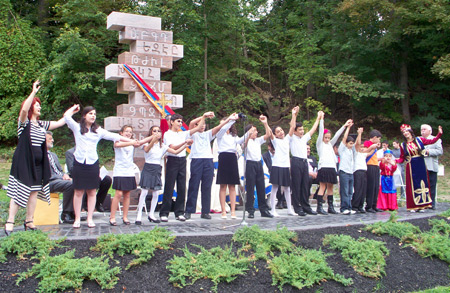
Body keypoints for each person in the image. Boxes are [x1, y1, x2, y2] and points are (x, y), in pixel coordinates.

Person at [5, 80, 69, 235]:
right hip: (24, 163)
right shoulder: (24, 123)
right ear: (31, 107)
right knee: (19, 191)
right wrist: (33, 92)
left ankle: (29, 221)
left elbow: (59, 123)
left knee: (34, 192)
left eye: (40, 105)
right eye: (37, 105)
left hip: (38, 164)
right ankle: (10, 222)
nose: (39, 107)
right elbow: (23, 110)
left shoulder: (41, 125)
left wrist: (69, 114)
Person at [64, 105, 134, 228]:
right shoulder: (77, 128)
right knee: (79, 191)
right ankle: (77, 218)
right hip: (79, 162)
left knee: (91, 191)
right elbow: (66, 117)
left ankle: (90, 218)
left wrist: (131, 141)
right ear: (84, 115)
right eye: (90, 113)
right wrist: (73, 109)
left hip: (92, 163)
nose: (93, 116)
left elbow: (114, 136)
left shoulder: (98, 131)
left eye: (94, 114)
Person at [135, 125, 190, 224]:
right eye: (154, 131)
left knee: (156, 193)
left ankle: (151, 214)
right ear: (151, 133)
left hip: (157, 168)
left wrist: (185, 145)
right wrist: (153, 139)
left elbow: (175, 152)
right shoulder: (146, 143)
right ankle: (139, 215)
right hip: (148, 167)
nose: (156, 133)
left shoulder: (163, 146)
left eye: (158, 131)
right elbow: (147, 150)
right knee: (144, 192)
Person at [185, 112, 231, 220]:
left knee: (207, 187)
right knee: (194, 185)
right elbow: (192, 123)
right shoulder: (192, 133)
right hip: (196, 160)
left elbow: (219, 127)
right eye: (201, 124)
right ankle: (189, 210)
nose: (203, 125)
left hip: (208, 161)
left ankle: (205, 211)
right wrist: (204, 116)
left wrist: (229, 118)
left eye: (204, 124)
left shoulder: (208, 134)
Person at [160, 113, 205, 222]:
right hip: (172, 160)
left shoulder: (183, 133)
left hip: (182, 160)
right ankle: (164, 212)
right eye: (178, 121)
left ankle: (179, 212)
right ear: (171, 122)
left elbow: (198, 127)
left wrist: (204, 117)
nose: (180, 123)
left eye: (181, 121)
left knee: (181, 186)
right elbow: (173, 147)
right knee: (169, 186)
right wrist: (185, 143)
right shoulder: (167, 134)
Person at [396, 124, 443, 211]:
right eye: (403, 132)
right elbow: (402, 158)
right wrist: (394, 161)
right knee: (413, 185)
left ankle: (422, 205)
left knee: (422, 184)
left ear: (410, 132)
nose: (405, 133)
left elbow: (432, 141)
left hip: (420, 163)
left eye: (406, 131)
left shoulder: (419, 140)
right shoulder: (403, 145)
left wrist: (439, 134)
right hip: (411, 166)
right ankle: (413, 205)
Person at [316, 114, 349, 215]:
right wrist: (321, 119)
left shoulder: (330, 144)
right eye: (325, 137)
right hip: (324, 167)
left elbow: (337, 135)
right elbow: (321, 131)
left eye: (328, 138)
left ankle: (330, 207)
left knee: (330, 187)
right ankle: (319, 207)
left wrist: (345, 126)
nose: (327, 139)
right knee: (323, 186)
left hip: (332, 167)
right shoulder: (320, 144)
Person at [268, 106, 298, 217]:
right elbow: (269, 133)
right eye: (278, 131)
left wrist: (294, 114)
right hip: (276, 166)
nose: (280, 132)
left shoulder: (287, 139)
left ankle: (290, 209)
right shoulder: (275, 141)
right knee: (275, 187)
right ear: (275, 134)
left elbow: (292, 127)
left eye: (281, 130)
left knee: (287, 188)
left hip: (285, 166)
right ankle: (272, 209)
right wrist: (266, 123)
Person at [109, 125, 142, 226]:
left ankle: (125, 216)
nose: (128, 133)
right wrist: (131, 142)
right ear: (121, 133)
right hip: (120, 171)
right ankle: (112, 217)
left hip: (129, 171)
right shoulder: (117, 141)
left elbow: (141, 143)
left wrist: (154, 137)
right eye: (126, 131)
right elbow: (117, 145)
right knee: (118, 194)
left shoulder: (132, 144)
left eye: (130, 132)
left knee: (127, 194)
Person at [290, 111, 321, 216]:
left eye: (303, 129)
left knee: (305, 185)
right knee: (297, 185)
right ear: (295, 131)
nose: (302, 131)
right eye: (300, 130)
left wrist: (318, 118)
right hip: (296, 161)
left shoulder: (304, 138)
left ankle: (306, 206)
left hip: (304, 162)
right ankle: (297, 207)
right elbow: (292, 125)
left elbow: (313, 130)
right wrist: (294, 115)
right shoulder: (292, 138)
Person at [242, 115, 273, 219]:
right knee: (250, 188)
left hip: (258, 164)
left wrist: (265, 123)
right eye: (253, 131)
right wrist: (247, 135)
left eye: (255, 131)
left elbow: (268, 134)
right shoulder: (246, 140)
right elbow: (243, 147)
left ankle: (263, 209)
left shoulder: (258, 140)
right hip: (250, 164)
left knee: (261, 187)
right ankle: (250, 210)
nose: (255, 132)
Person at [65, 147, 113, 213]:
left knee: (107, 180)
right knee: (90, 181)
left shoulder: (90, 150)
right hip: (79, 175)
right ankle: (85, 204)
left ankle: (98, 203)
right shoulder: (70, 152)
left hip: (91, 174)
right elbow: (71, 169)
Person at [215, 113, 242, 219]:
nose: (223, 125)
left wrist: (249, 132)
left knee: (232, 185)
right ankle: (223, 211)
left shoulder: (233, 136)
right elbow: (222, 129)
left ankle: (233, 211)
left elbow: (240, 141)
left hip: (232, 158)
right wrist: (231, 120)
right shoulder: (220, 135)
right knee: (223, 185)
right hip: (223, 157)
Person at [46, 131, 75, 224]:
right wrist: (61, 177)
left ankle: (74, 213)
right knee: (70, 184)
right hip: (48, 182)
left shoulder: (53, 155)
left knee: (79, 183)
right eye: (50, 138)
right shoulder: (39, 155)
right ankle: (66, 213)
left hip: (58, 179)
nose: (53, 140)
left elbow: (59, 170)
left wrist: (64, 175)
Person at [421, 124, 443, 209]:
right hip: (421, 166)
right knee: (423, 185)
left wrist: (429, 151)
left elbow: (440, 151)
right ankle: (423, 202)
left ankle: (432, 203)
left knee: (432, 185)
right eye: (421, 129)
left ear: (430, 131)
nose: (422, 131)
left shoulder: (436, 140)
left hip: (431, 165)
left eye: (424, 129)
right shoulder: (418, 140)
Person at [338, 120, 356, 215]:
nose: (351, 145)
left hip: (350, 172)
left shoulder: (351, 151)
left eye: (352, 143)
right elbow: (344, 138)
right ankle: (344, 207)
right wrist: (348, 127)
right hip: (344, 172)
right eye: (350, 143)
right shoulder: (343, 149)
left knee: (350, 191)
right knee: (344, 190)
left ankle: (349, 206)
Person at [262, 141, 285, 209]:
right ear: (269, 147)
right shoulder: (264, 156)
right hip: (270, 174)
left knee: (287, 180)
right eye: (273, 148)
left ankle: (281, 201)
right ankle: (273, 202)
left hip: (279, 173)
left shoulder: (280, 155)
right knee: (275, 180)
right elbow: (266, 168)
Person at [364, 129, 382, 213]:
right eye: (378, 138)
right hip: (369, 165)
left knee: (376, 186)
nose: (379, 141)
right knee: (371, 186)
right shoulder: (367, 143)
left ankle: (374, 205)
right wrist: (373, 147)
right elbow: (366, 153)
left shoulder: (375, 145)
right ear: (374, 137)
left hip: (375, 165)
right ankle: (369, 205)